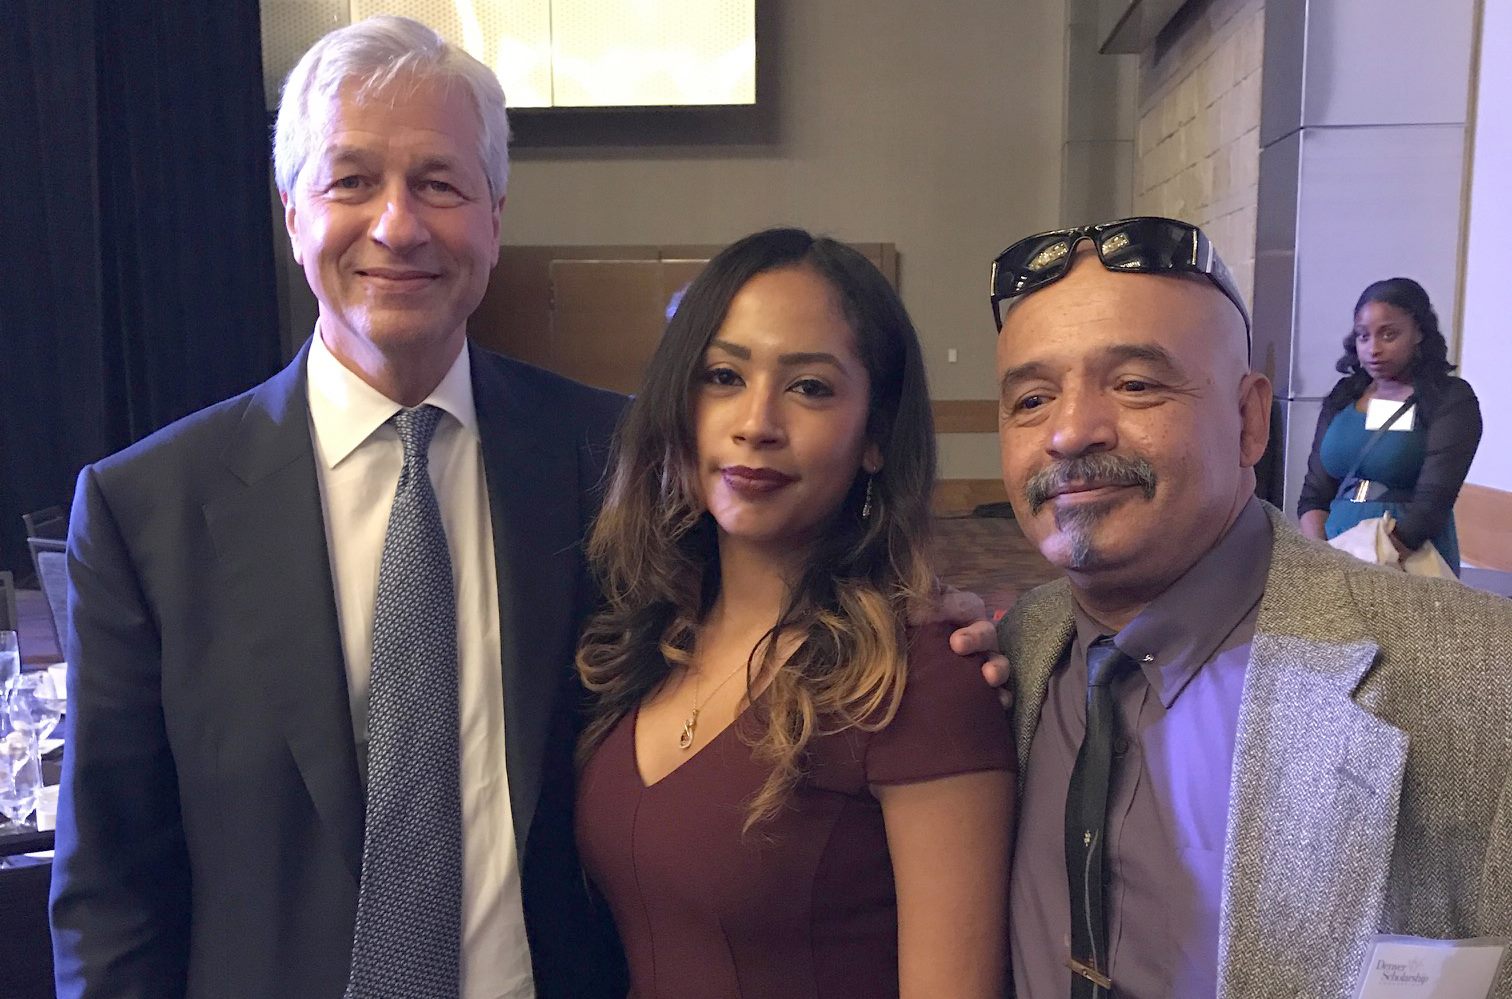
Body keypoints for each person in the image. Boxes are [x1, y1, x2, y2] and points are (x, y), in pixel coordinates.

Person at [50, 17, 624, 999]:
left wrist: (944, 636)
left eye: (439, 183)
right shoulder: (145, 511)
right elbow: (113, 892)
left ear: (495, 213)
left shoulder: (615, 463)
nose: (397, 225)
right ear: (289, 213)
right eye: (351, 180)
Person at [967, 217, 1512, 998]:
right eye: (1030, 398)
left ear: (1249, 418)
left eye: (1135, 384)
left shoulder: (1485, 682)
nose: (1068, 431)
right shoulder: (1006, 656)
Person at [572, 228, 1015, 998]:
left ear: (875, 433)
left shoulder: (925, 678)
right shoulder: (645, 639)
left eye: (810, 386)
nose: (756, 422)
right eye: (723, 376)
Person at [1297, 277, 1482, 573]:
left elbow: (1433, 502)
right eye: (1363, 336)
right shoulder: (1344, 396)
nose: (1373, 349)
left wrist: (1370, 559)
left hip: (1408, 558)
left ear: (1419, 332)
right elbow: (1314, 494)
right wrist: (1322, 559)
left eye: (1388, 335)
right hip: (1333, 554)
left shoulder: (1450, 398)